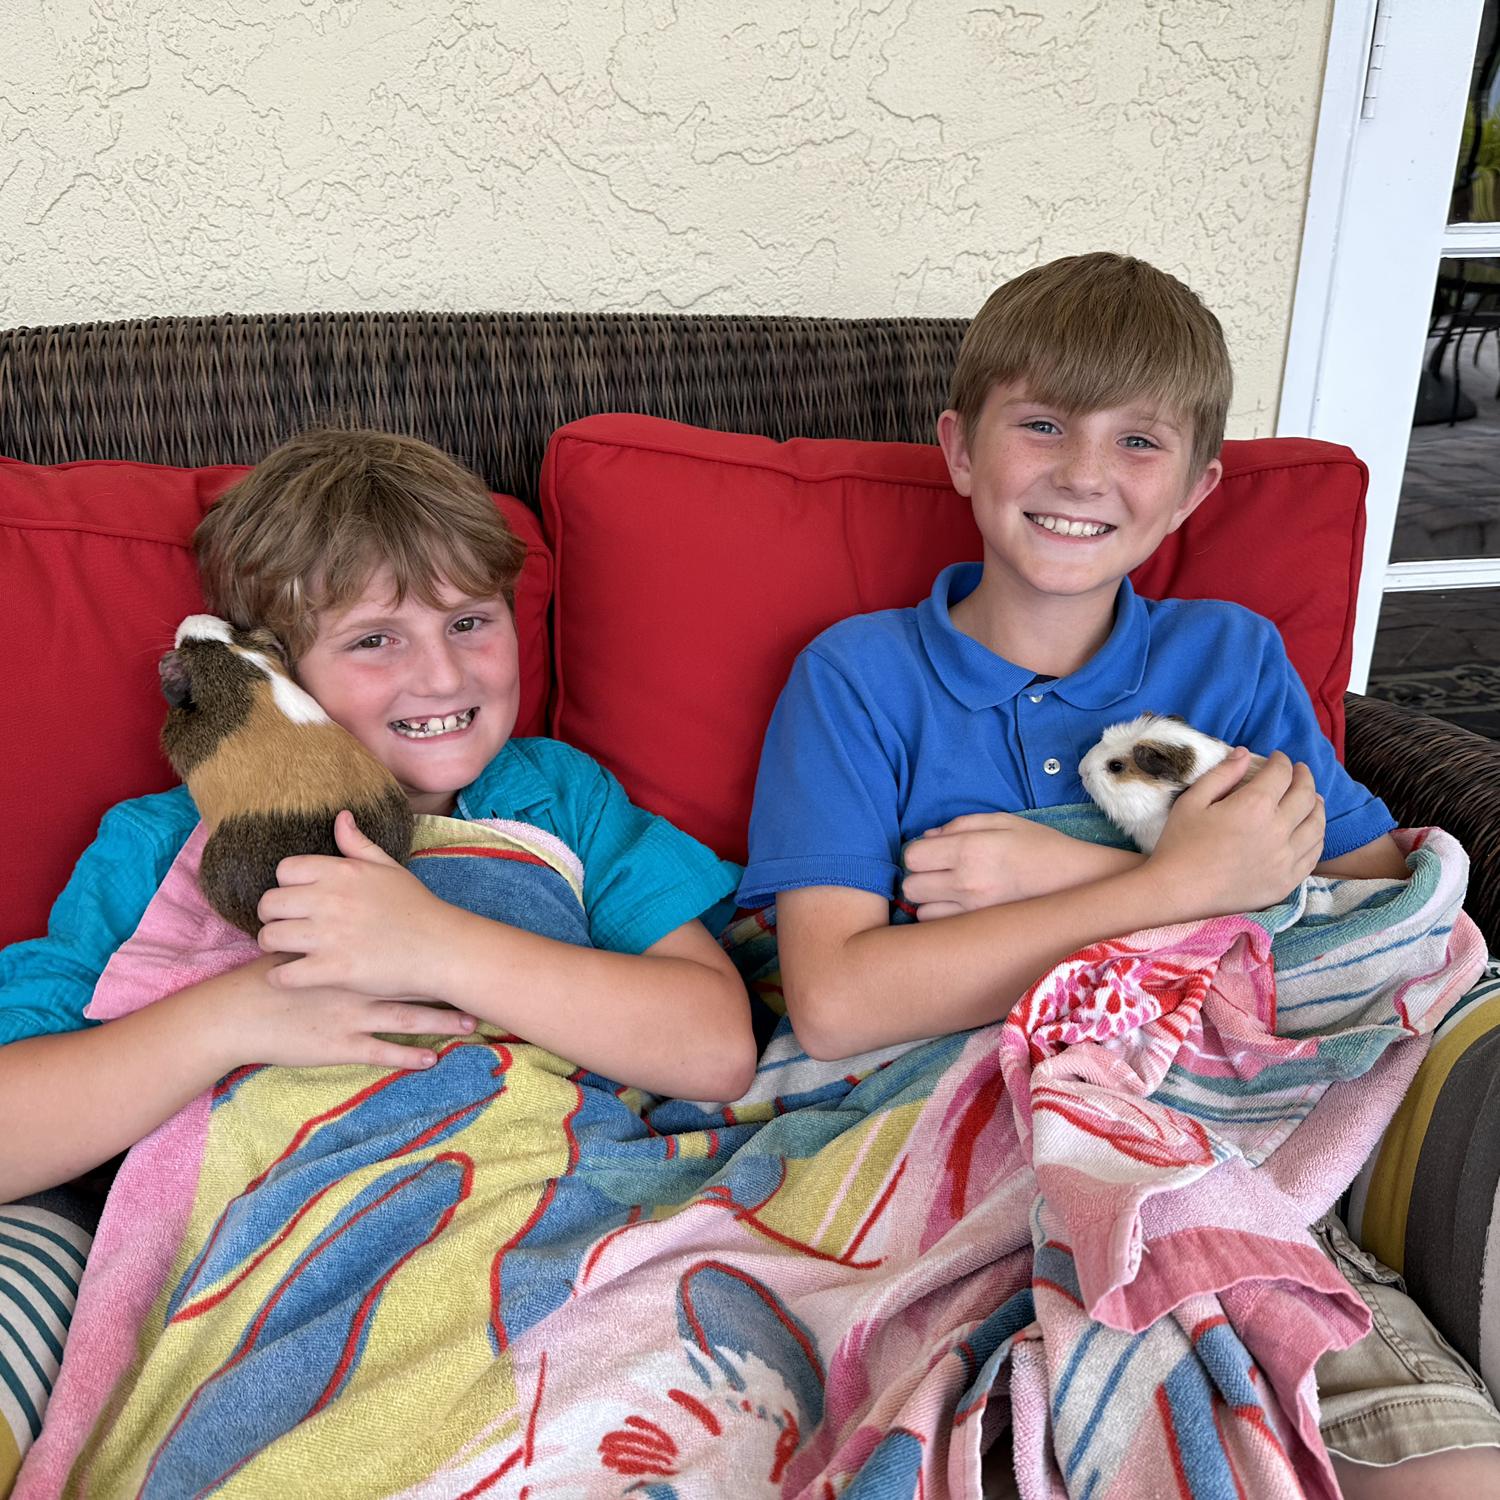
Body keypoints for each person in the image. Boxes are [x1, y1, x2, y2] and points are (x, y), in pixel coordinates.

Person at [736, 253, 1500, 1492]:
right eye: (1041, 424)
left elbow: (1366, 895)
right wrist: (1161, 883)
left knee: (1453, 1475)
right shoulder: (857, 677)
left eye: (1137, 441)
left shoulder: (1229, 659)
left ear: (1196, 488)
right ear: (961, 449)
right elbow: (834, 1002)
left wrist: (1065, 865)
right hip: (977, 1150)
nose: (1084, 473)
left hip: (1231, 1141)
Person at [0, 428, 757, 1207]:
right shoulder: (163, 843)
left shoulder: (557, 797)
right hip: (294, 1225)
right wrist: (230, 1019)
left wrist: (438, 946)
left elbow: (717, 1050)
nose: (443, 675)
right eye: (374, 640)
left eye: (469, 622)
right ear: (275, 670)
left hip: (555, 1190)